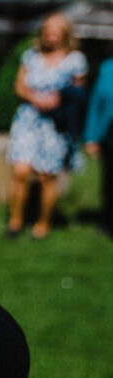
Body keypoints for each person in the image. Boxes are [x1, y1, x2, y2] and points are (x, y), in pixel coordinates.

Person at [6, 12, 88, 239]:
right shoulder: (31, 55)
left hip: (55, 124)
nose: (50, 35)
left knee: (46, 175)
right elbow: (19, 87)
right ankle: (15, 221)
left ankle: (42, 224)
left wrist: (59, 98)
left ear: (64, 33)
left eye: (55, 30)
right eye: (47, 30)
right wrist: (36, 98)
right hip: (29, 119)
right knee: (20, 170)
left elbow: (80, 94)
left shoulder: (76, 60)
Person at [84, 50, 113, 237]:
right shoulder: (107, 68)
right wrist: (91, 136)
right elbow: (96, 104)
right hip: (110, 133)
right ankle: (108, 221)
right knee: (110, 180)